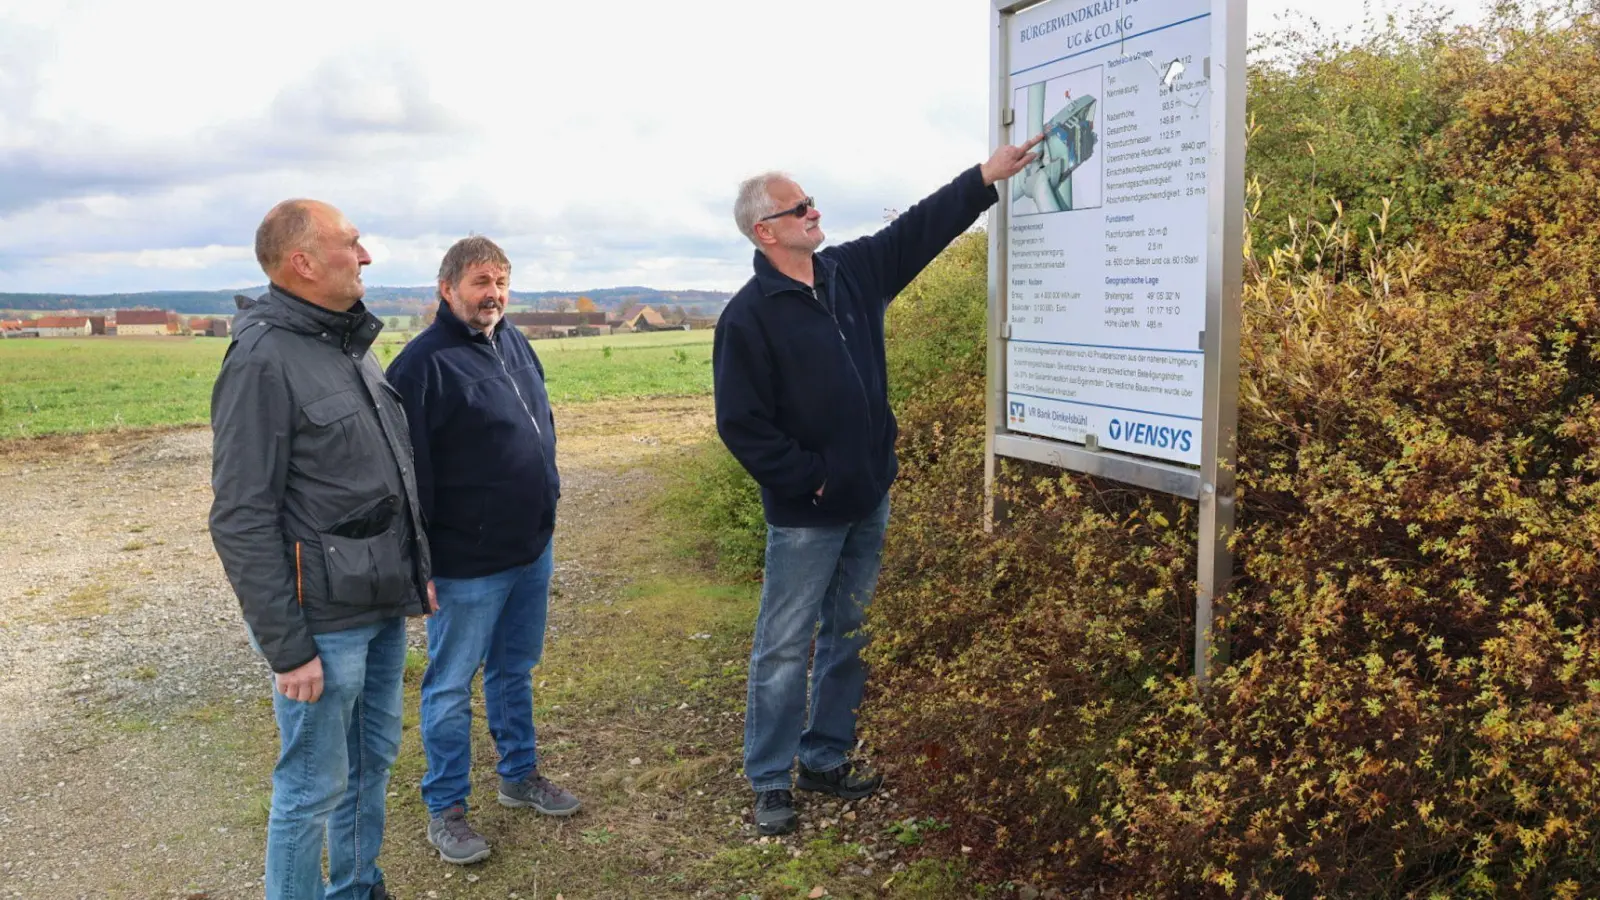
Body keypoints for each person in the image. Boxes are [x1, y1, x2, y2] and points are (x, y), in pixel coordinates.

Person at [714, 136, 1043, 836]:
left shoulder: (850, 273)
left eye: (809, 200)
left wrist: (984, 177)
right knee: (783, 645)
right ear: (765, 231)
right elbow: (743, 426)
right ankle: (770, 778)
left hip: (869, 498)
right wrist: (817, 482)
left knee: (851, 634)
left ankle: (825, 756)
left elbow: (917, 229)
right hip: (808, 516)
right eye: (796, 206)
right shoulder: (748, 317)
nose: (812, 210)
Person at [210, 199, 433, 900]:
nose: (365, 256)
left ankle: (359, 887)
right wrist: (287, 647)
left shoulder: (346, 346)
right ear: (302, 263)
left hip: (379, 603)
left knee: (372, 763)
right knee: (312, 785)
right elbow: (241, 517)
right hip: (321, 624)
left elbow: (392, 474)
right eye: (352, 243)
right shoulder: (262, 360)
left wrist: (417, 573)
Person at [387, 236, 578, 866]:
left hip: (529, 548)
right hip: (464, 564)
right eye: (479, 282)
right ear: (446, 289)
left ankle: (519, 776)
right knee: (449, 686)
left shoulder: (514, 341)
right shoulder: (422, 365)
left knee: (513, 670)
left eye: (500, 281)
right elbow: (404, 478)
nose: (492, 294)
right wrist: (420, 565)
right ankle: (447, 808)